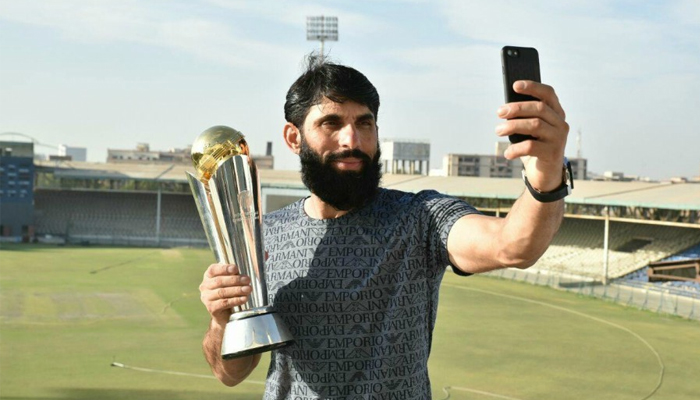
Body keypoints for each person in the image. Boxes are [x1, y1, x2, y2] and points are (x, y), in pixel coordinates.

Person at [198, 54, 570, 399]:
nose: (352, 139)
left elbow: (513, 245)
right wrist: (221, 321)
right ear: (294, 138)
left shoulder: (420, 218)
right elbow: (230, 373)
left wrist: (546, 173)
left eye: (365, 123)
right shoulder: (265, 237)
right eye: (331, 122)